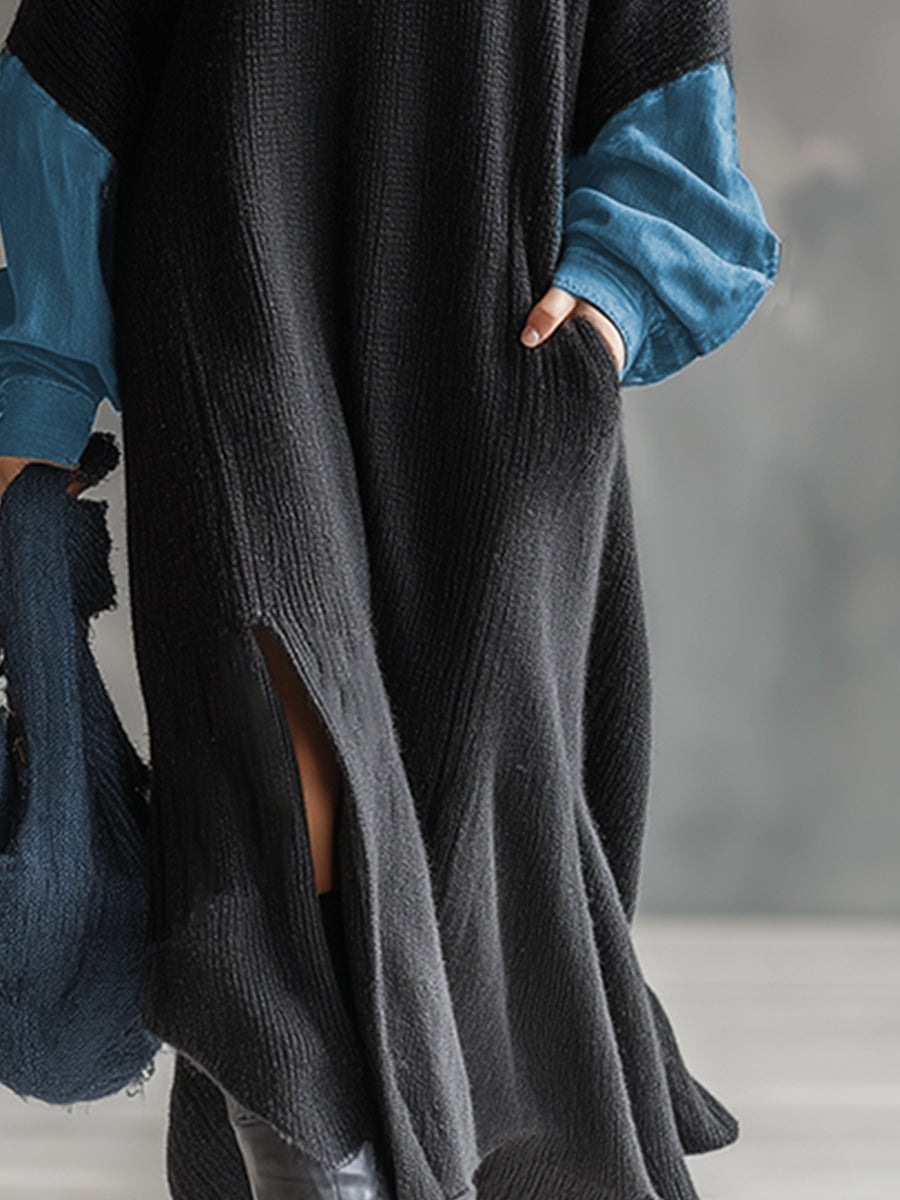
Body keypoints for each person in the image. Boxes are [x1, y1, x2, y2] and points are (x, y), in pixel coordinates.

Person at [0, 1, 780, 1198]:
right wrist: (41, 375)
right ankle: (333, 1162)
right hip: (225, 308)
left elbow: (664, 62)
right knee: (278, 761)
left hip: (503, 348)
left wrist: (624, 286)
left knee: (473, 822)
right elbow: (79, 56)